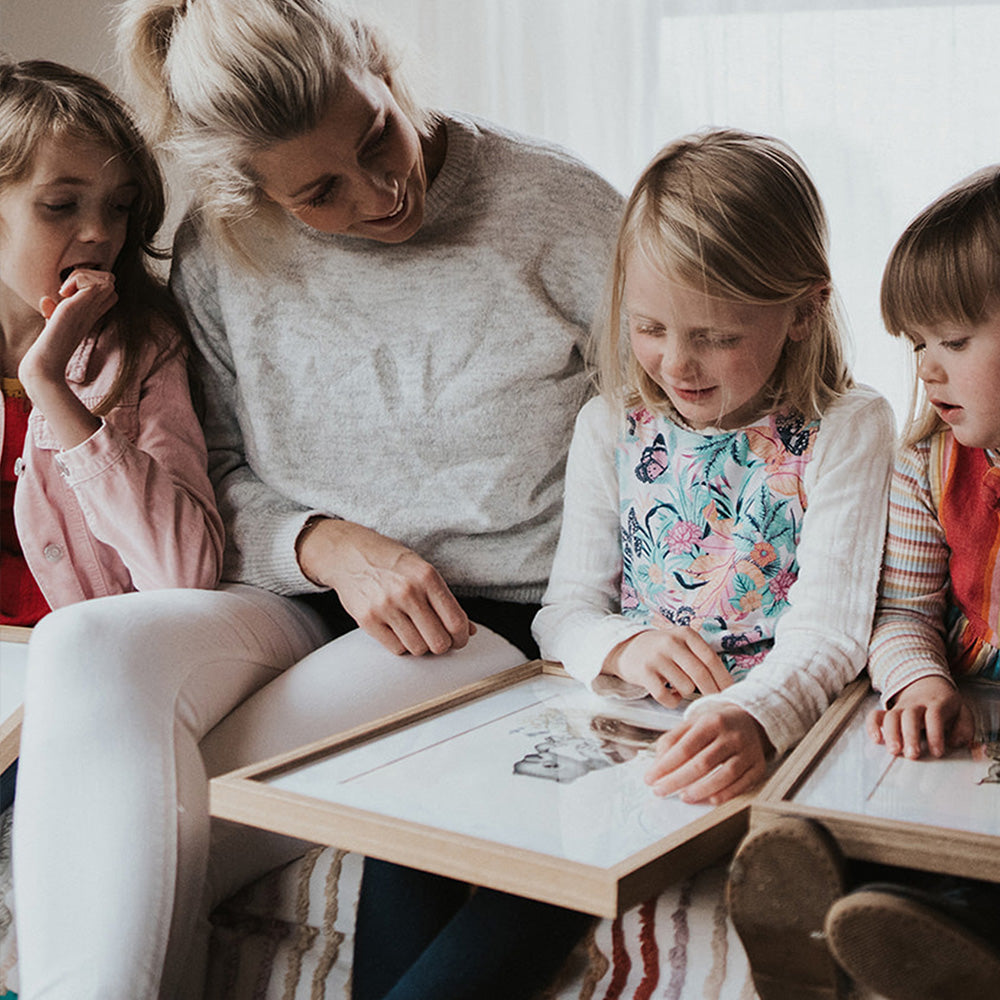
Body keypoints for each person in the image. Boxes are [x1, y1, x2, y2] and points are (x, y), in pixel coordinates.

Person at [11, 1, 623, 998]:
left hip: (477, 623)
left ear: (380, 67)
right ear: (249, 190)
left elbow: (665, 436)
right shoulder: (223, 246)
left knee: (133, 822)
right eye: (321, 191)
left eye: (377, 136)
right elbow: (216, 474)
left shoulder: (557, 207)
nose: (381, 191)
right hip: (294, 597)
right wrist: (329, 544)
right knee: (80, 648)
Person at [532, 128, 895, 809]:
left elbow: (831, 633)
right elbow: (564, 614)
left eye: (716, 337)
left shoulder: (847, 428)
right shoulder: (608, 427)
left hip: (777, 726)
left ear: (804, 310)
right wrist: (624, 646)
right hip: (643, 730)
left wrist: (757, 716)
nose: (675, 364)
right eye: (650, 328)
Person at [727, 166, 1000, 1000]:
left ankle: (947, 936)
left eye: (954, 342)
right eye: (916, 344)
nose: (929, 371)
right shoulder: (924, 463)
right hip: (967, 716)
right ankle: (827, 919)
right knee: (857, 788)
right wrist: (916, 678)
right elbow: (903, 610)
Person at [0, 58, 223, 811]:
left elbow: (185, 572)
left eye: (120, 207)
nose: (99, 234)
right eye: (61, 206)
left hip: (80, 677)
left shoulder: (145, 347)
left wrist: (51, 387)